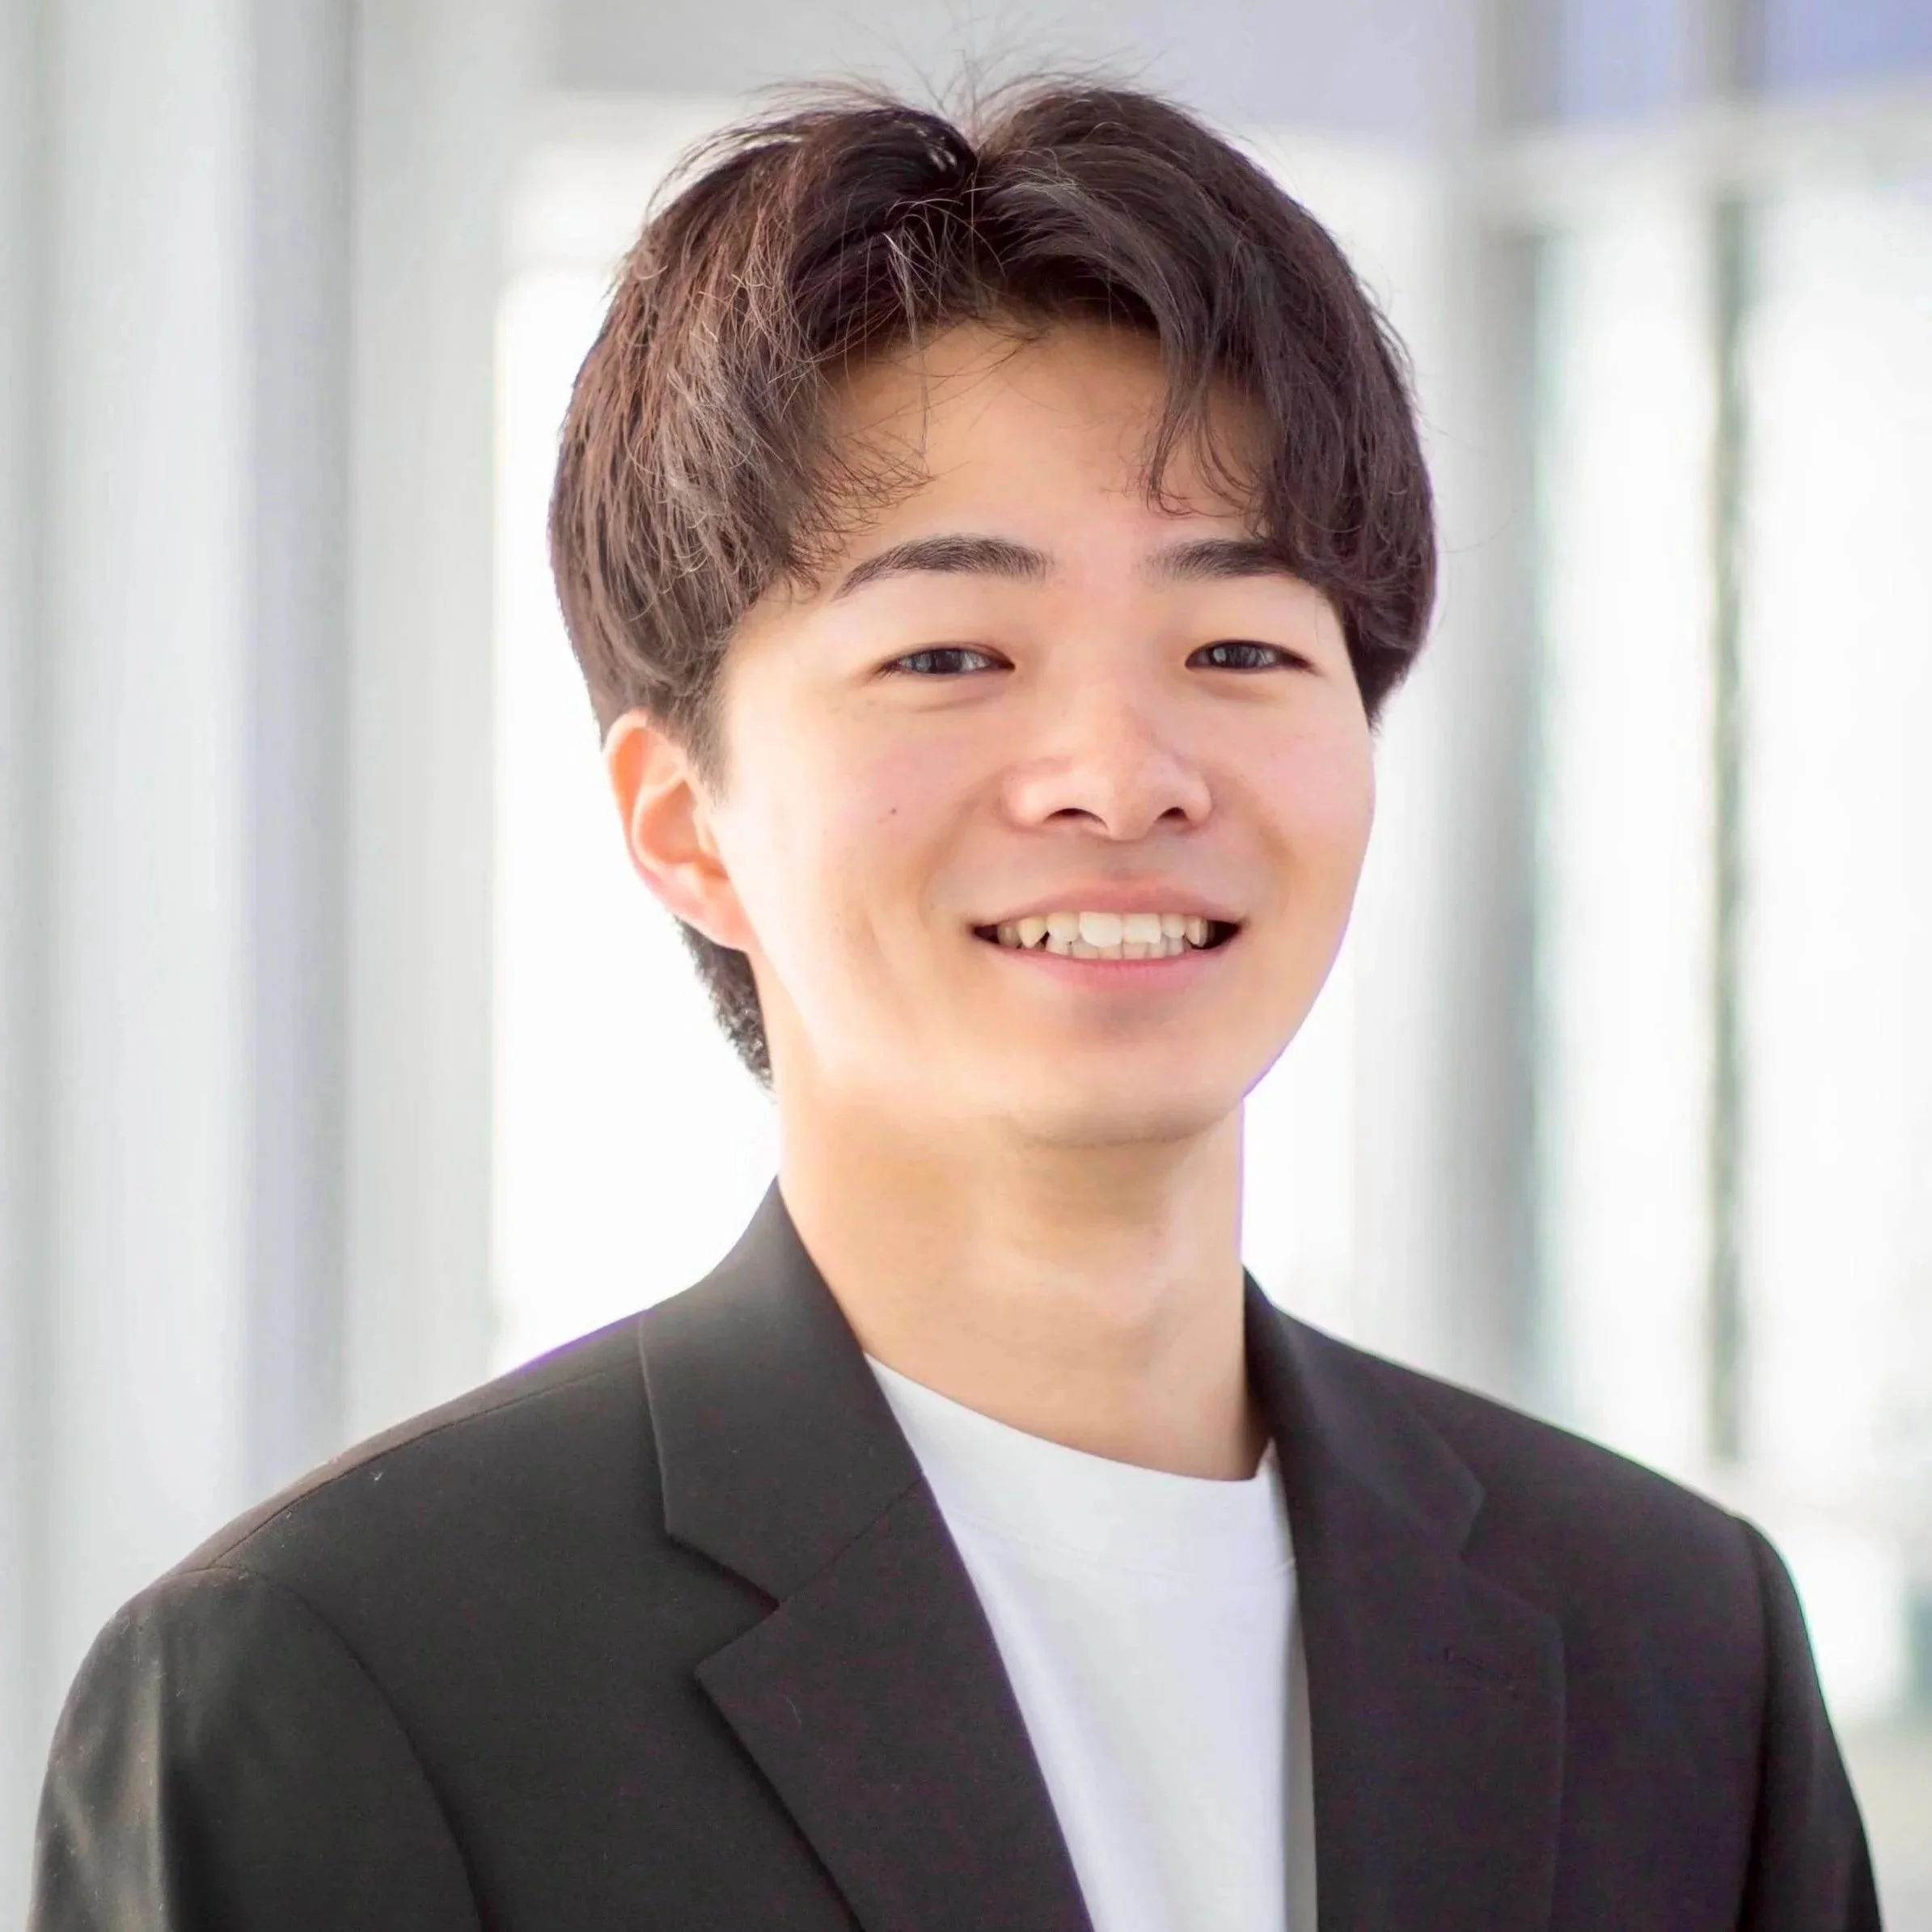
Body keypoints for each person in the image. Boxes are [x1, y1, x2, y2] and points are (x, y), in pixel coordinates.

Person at [30, 79, 1879, 1932]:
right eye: (949, 655)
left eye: (1237, 647)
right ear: (688, 827)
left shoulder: (1676, 1642)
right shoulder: (329, 1686)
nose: (1118, 774)